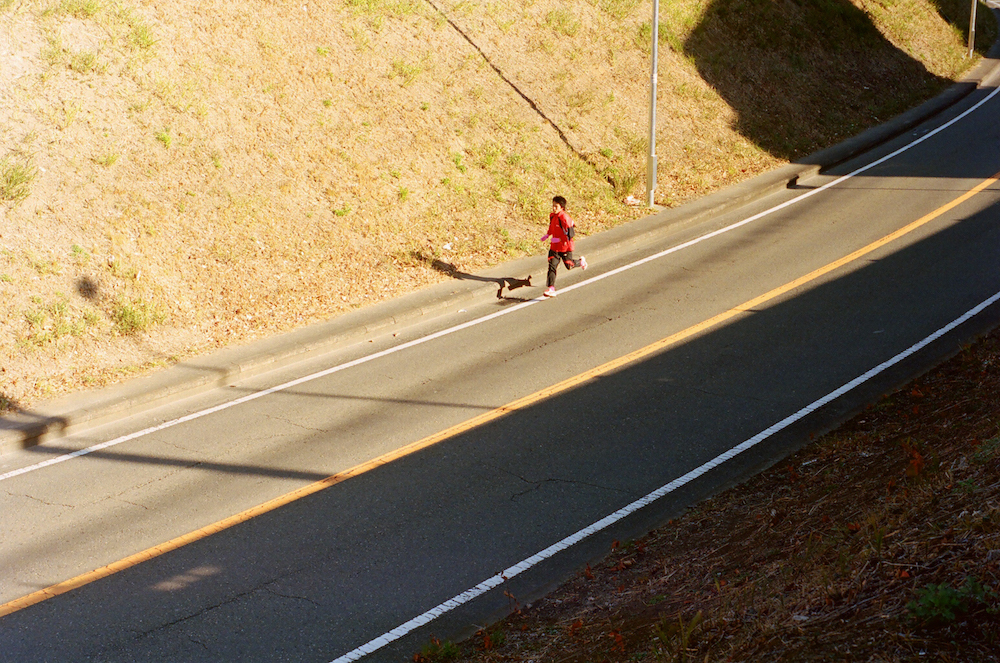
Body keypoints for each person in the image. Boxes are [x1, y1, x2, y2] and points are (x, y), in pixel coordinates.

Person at [540, 195, 587, 297]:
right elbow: (552, 227)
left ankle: (581, 262)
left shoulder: (565, 218)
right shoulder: (552, 216)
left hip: (565, 247)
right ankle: (551, 288)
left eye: (556, 206)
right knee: (552, 266)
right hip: (554, 247)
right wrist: (547, 235)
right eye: (553, 206)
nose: (553, 208)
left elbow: (571, 234)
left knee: (569, 265)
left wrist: (560, 240)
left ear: (562, 207)